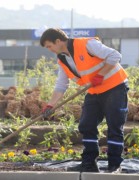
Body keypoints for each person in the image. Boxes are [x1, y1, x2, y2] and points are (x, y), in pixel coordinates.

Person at [40, 28, 129, 173]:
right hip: (94, 91)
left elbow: (115, 55)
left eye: (49, 46)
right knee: (87, 125)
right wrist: (51, 104)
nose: (49, 50)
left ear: (58, 41)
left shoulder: (87, 44)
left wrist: (100, 75)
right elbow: (61, 85)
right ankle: (89, 164)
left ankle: (115, 165)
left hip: (115, 88)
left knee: (114, 126)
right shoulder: (62, 60)